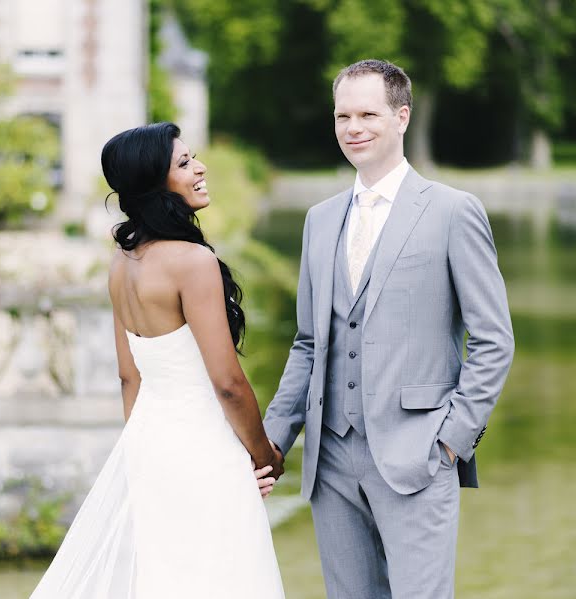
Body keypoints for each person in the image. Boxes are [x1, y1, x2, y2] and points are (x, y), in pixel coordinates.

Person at [263, 59, 515, 599]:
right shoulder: (320, 219)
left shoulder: (453, 211)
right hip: (330, 461)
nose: (353, 128)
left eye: (368, 114)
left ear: (401, 117)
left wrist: (452, 440)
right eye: (342, 116)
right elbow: (308, 343)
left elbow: (493, 339)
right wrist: (272, 442)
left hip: (420, 454)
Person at [30, 122, 285, 599]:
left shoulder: (122, 263)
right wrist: (263, 457)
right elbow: (228, 381)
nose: (201, 167)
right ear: (155, 182)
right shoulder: (192, 262)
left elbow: (130, 377)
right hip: (204, 449)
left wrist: (141, 458)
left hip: (150, 447)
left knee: (163, 579)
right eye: (185, 163)